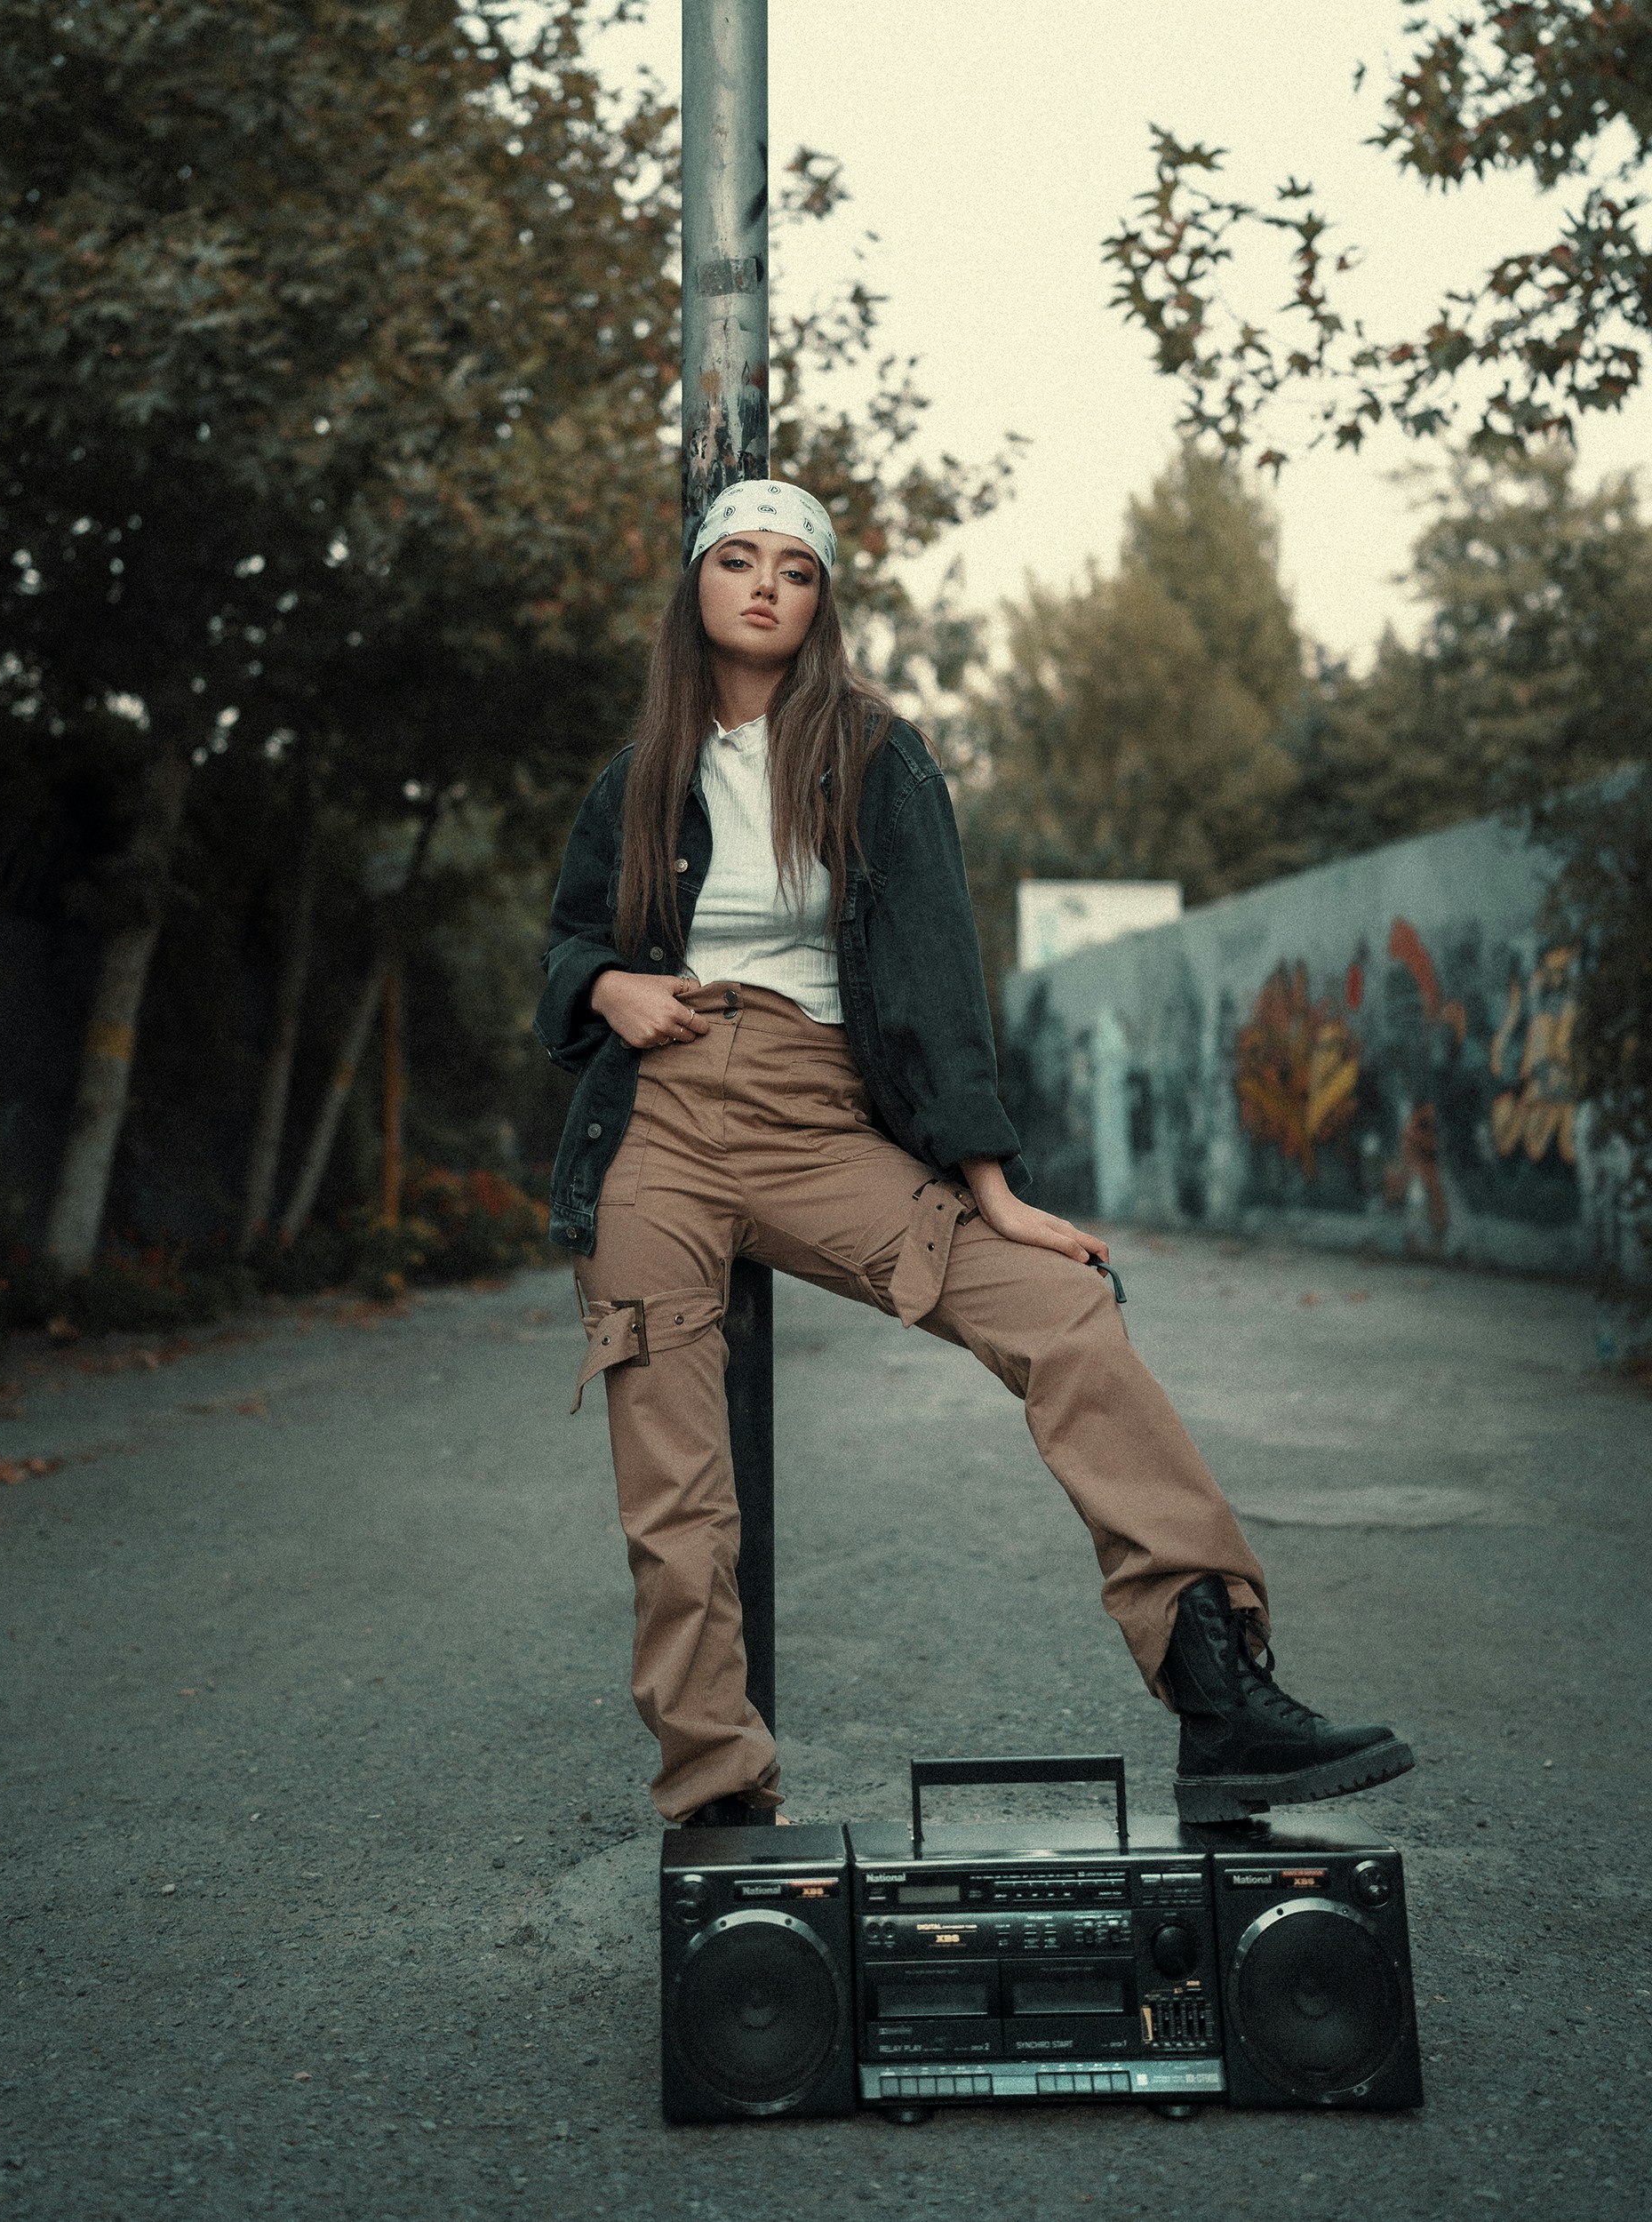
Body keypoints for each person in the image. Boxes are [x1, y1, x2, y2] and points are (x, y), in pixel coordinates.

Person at [533, 480, 1412, 1830]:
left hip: (818, 1116)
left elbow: (938, 975)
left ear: (824, 602)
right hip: (657, 1123)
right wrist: (607, 989)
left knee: (1066, 1313)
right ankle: (716, 1799)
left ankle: (1219, 1695)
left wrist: (990, 1188)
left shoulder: (876, 755)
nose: (766, 587)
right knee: (677, 1494)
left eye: (797, 570)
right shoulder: (639, 776)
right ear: (698, 587)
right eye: (738, 561)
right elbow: (568, 940)